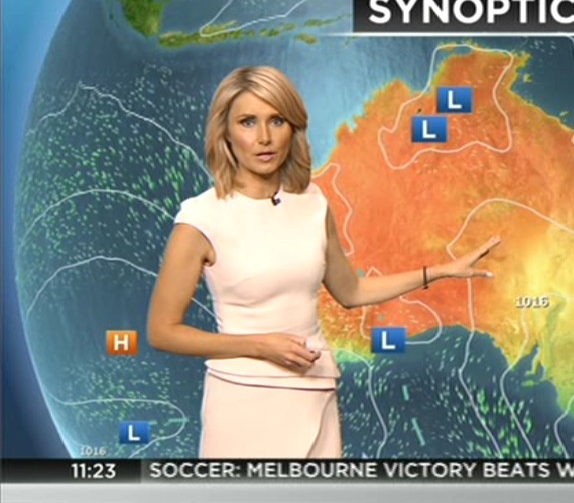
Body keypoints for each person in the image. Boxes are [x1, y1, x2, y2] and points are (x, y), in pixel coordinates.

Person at [147, 66, 500, 458]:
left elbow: (351, 291)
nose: (264, 138)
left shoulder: (313, 203)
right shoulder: (201, 218)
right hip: (243, 398)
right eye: (248, 122)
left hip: (316, 387)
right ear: (225, 133)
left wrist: (440, 271)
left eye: (276, 121)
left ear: (293, 128)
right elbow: (163, 331)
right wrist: (260, 346)